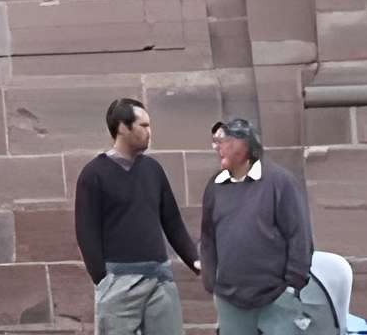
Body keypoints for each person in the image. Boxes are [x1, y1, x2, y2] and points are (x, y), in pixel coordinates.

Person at [77, 96, 198, 335]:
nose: (149, 132)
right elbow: (86, 232)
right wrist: (102, 278)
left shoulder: (153, 170)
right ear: (123, 127)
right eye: (143, 126)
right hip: (118, 282)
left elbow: (172, 221)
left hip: (159, 279)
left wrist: (195, 260)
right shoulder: (94, 174)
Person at [201, 115, 316, 335]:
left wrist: (292, 286)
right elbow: (208, 237)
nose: (218, 148)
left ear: (244, 144)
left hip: (276, 298)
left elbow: (299, 236)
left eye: (223, 141)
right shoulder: (215, 186)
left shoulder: (280, 182)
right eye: (215, 142)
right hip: (230, 299)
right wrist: (212, 281)